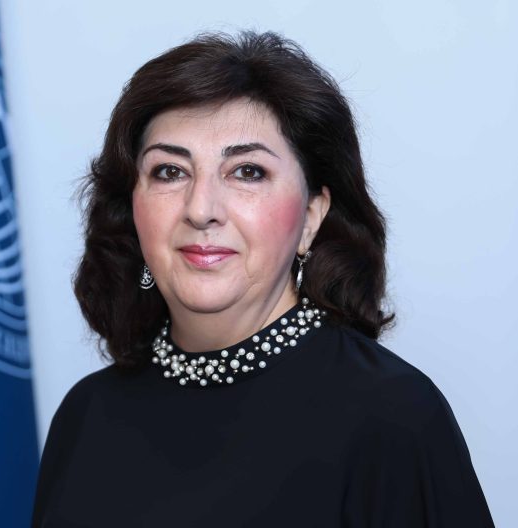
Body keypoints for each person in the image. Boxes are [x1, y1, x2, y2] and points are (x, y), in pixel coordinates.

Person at [31, 30, 495, 527]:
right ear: (131, 207)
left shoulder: (394, 416)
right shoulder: (86, 415)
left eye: (247, 172)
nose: (201, 210)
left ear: (312, 215)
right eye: (169, 172)